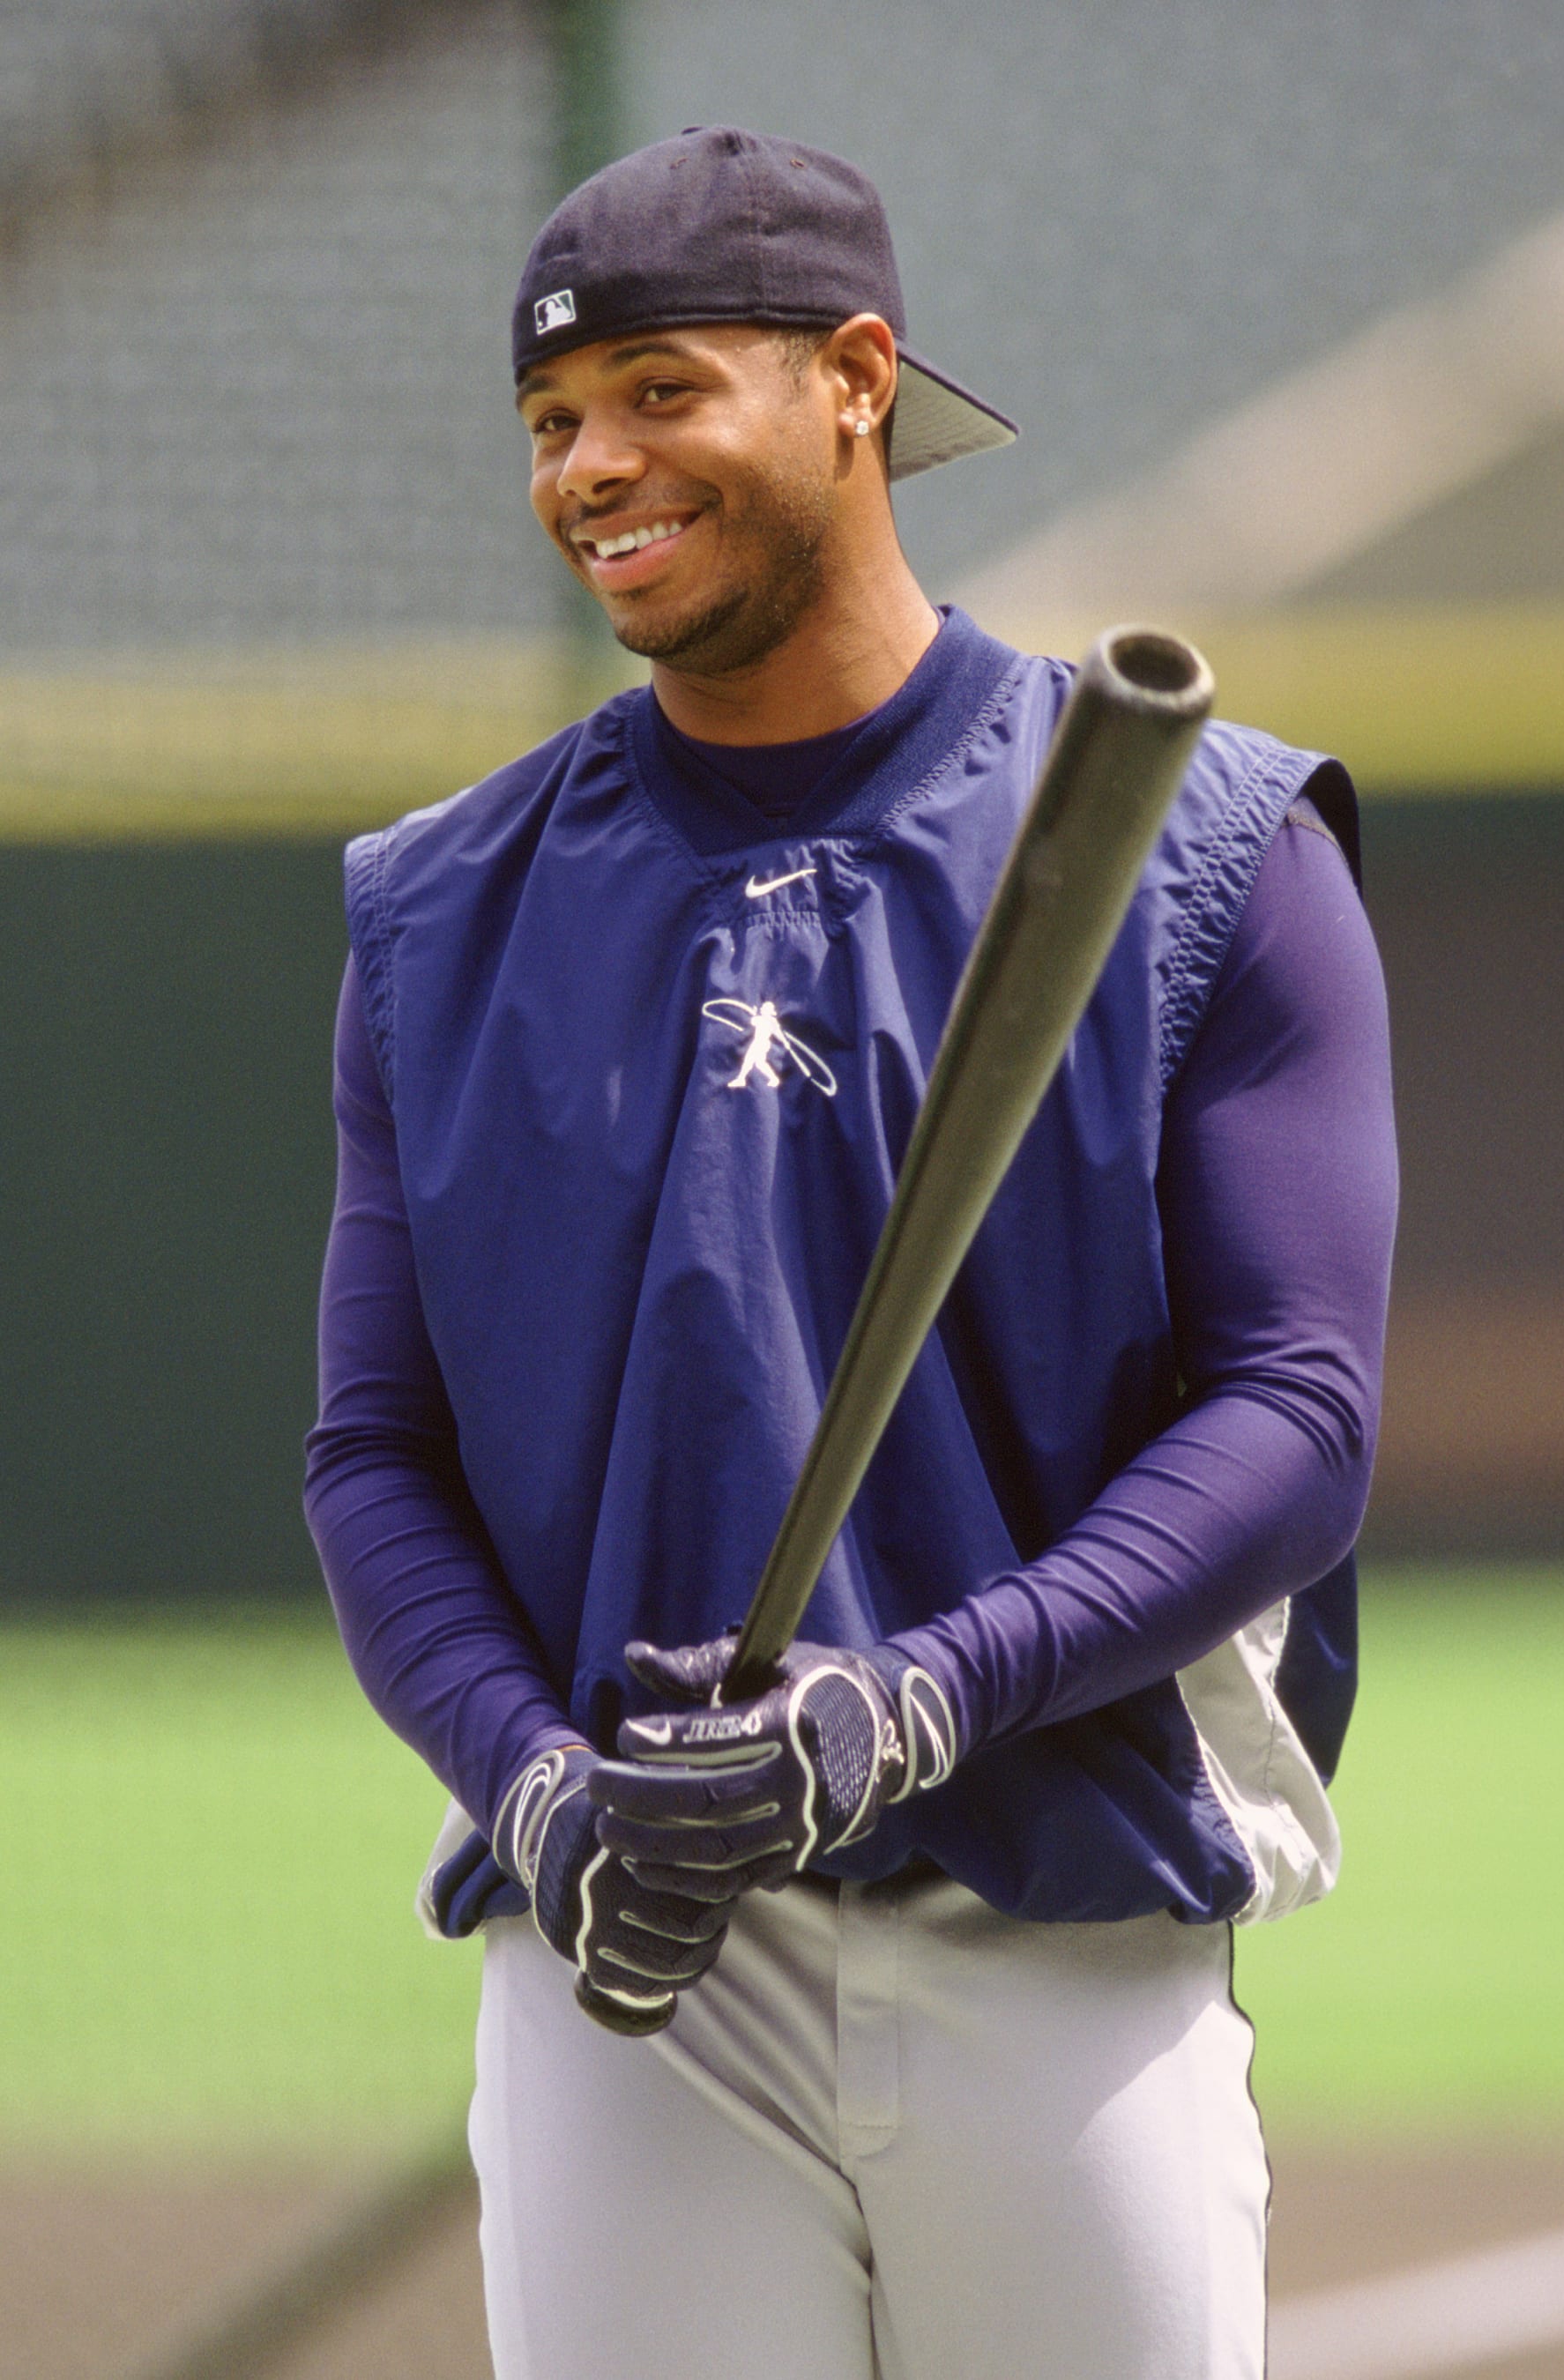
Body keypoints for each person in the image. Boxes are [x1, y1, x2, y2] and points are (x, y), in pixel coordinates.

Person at [305, 125, 1396, 2380]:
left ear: (859, 381)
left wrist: (917, 1698)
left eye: (659, 392)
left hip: (1061, 1923)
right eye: (550, 419)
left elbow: (1299, 1416)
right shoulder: (440, 911)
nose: (591, 467)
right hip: (634, 1978)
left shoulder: (1209, 852)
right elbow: (372, 1455)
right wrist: (536, 1787)